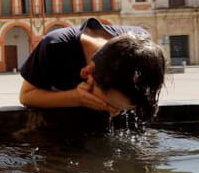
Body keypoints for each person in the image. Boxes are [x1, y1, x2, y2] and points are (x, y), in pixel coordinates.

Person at [19, 17, 166, 120]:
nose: (113, 113)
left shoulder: (143, 48)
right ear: (88, 72)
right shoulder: (55, 46)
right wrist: (76, 98)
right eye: (108, 105)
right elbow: (26, 96)